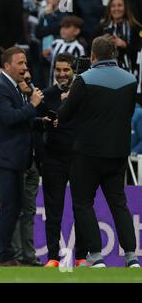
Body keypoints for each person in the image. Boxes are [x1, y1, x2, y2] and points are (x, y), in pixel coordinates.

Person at [58, 36, 140, 268]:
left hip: (87, 153)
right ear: (114, 54)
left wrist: (67, 98)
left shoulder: (84, 80)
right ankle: (131, 257)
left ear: (93, 56)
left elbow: (65, 115)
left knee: (83, 203)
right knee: (119, 203)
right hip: (118, 153)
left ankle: (96, 256)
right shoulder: (130, 80)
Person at [0, 46, 44, 266]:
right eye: (20, 63)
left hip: (13, 158)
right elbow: (10, 118)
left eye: (26, 63)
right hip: (3, 159)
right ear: (7, 65)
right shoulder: (0, 89)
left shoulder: (14, 88)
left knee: (12, 206)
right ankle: (4, 255)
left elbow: (20, 121)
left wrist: (39, 120)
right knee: (10, 206)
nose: (25, 67)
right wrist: (33, 105)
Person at [37, 53, 87, 267]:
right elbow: (39, 125)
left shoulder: (83, 93)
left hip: (79, 157)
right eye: (58, 70)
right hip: (53, 158)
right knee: (53, 209)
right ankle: (53, 257)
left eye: (66, 69)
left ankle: (82, 256)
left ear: (74, 70)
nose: (62, 74)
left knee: (81, 207)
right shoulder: (46, 95)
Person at [97, 0, 142, 73]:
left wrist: (125, 45)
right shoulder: (102, 28)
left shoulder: (136, 28)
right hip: (106, 71)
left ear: (125, 8)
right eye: (113, 6)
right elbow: (94, 51)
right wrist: (102, 44)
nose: (116, 8)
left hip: (132, 70)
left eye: (120, 5)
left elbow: (139, 50)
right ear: (109, 9)